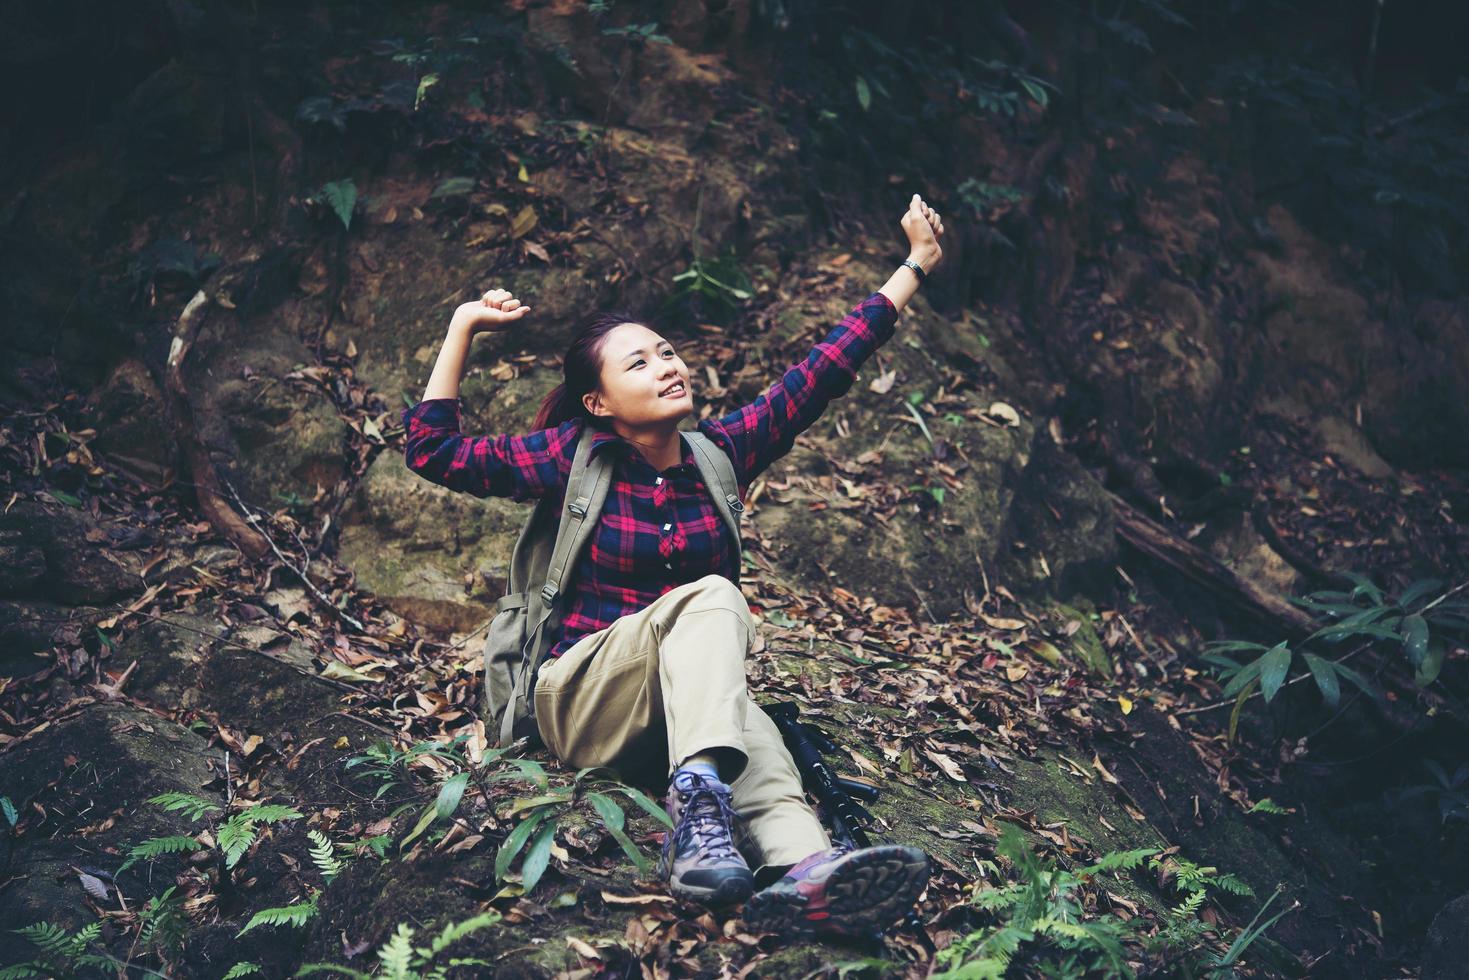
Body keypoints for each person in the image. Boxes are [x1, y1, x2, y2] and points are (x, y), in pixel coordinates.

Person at [402, 194, 947, 939]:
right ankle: (699, 808)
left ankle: (807, 880)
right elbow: (434, 451)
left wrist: (912, 265)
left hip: (674, 719)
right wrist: (464, 324)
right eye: (639, 361)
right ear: (598, 401)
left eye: (666, 352)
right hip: (579, 699)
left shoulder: (721, 453)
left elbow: (822, 371)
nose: (666, 366)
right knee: (714, 597)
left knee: (761, 748)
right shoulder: (573, 456)